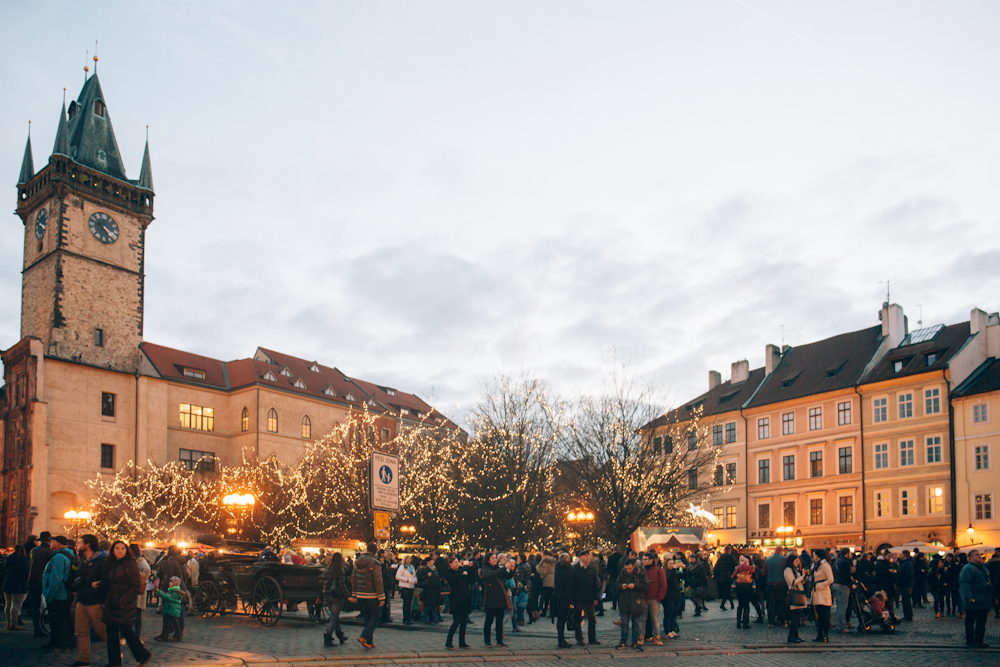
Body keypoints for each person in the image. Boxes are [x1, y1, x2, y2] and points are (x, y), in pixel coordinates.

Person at [104, 541, 152, 667]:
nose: (120, 551)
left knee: (127, 632)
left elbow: (135, 585)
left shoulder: (130, 564)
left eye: (122, 549)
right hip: (111, 604)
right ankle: (114, 663)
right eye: (117, 548)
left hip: (124, 604)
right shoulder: (112, 564)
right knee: (112, 635)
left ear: (126, 551)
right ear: (113, 550)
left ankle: (143, 654)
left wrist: (123, 600)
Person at [73, 533, 110, 667]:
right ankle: (83, 659)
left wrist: (90, 589)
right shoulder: (83, 559)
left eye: (80, 542)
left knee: (103, 632)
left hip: (96, 602)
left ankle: (115, 657)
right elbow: (82, 577)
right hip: (82, 600)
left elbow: (105, 582)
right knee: (81, 631)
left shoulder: (102, 560)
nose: (78, 545)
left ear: (87, 544)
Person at [349, 543, 385, 649]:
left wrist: (354, 594)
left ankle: (369, 641)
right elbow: (378, 581)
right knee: (376, 617)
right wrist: (381, 597)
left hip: (360, 594)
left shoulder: (357, 562)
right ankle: (363, 636)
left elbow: (353, 578)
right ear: (375, 551)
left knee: (367, 617)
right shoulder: (375, 563)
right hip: (372, 594)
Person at [959, 549, 992, 648]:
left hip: (983, 599)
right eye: (977, 555)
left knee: (982, 621)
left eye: (979, 554)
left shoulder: (983, 568)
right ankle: (970, 639)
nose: (979, 556)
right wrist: (969, 597)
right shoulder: (968, 568)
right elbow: (965, 583)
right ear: (971, 557)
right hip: (973, 600)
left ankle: (979, 639)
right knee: (971, 620)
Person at [615, 558, 648, 650]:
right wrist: (621, 586)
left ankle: (634, 642)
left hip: (636, 601)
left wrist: (635, 586)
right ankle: (623, 641)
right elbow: (616, 584)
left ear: (634, 566)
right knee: (624, 623)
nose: (628, 570)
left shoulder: (640, 574)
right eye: (626, 568)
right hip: (624, 601)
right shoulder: (622, 573)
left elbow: (645, 586)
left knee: (635, 623)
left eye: (629, 568)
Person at [156, 545, 188, 639]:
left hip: (173, 589)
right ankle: (179, 631)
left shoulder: (171, 562)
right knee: (179, 610)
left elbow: (170, 577)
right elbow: (185, 575)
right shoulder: (181, 561)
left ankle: (167, 632)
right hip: (181, 587)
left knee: (168, 612)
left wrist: (166, 589)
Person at [570, 550, 601, 646]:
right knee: (578, 618)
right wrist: (572, 599)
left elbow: (595, 583)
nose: (588, 557)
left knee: (592, 618)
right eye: (586, 556)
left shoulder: (591, 568)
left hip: (589, 597)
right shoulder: (574, 569)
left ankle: (592, 638)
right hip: (578, 597)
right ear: (580, 557)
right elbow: (572, 585)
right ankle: (579, 638)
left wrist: (596, 597)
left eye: (589, 556)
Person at [443, 555, 473, 649]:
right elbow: (454, 580)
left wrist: (469, 570)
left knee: (464, 622)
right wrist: (462, 570)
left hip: (464, 599)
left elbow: (469, 580)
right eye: (455, 562)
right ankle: (449, 641)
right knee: (456, 622)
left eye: (457, 562)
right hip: (456, 600)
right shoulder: (449, 573)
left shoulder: (460, 572)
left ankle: (462, 641)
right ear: (450, 564)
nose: (457, 564)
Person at [319, 552, 349, 647]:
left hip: (327, 595)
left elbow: (322, 581)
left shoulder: (327, 569)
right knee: (333, 617)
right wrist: (348, 596)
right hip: (336, 596)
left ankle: (340, 636)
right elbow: (341, 585)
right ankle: (328, 638)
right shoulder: (340, 570)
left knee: (334, 616)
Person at [26, 531, 52, 637]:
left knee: (35, 606)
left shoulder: (34, 550)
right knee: (50, 604)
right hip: (45, 581)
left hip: (33, 581)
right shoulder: (50, 552)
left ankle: (36, 628)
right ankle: (48, 622)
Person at [479, 552, 507, 647]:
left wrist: (511, 569)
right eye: (493, 558)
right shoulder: (485, 569)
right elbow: (492, 575)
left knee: (499, 620)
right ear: (488, 560)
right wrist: (503, 568)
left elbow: (506, 576)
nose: (495, 560)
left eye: (495, 558)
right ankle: (487, 640)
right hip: (490, 598)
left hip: (500, 598)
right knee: (489, 620)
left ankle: (499, 640)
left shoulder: (497, 568)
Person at [3, 544, 29, 631]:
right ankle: (14, 623)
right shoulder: (24, 559)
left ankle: (8, 622)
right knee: (16, 605)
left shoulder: (9, 558)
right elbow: (26, 571)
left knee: (8, 604)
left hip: (8, 581)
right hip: (19, 582)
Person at [642, 552, 666, 644]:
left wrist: (658, 598)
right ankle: (641, 637)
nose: (642, 561)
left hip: (654, 599)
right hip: (644, 598)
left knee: (654, 619)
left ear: (651, 560)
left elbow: (663, 586)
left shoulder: (659, 571)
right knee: (643, 619)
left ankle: (657, 637)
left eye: (645, 559)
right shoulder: (642, 571)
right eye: (642, 559)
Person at [811, 549, 833, 642]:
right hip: (817, 592)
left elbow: (831, 579)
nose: (813, 557)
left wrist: (821, 585)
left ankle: (825, 634)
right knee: (819, 615)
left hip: (823, 592)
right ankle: (819, 634)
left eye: (814, 555)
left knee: (824, 614)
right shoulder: (817, 565)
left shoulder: (825, 565)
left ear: (818, 556)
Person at [553, 552, 574, 648]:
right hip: (565, 597)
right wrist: (570, 600)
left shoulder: (557, 569)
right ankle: (561, 640)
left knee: (560, 619)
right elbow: (569, 586)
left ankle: (560, 638)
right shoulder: (568, 569)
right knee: (563, 618)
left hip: (558, 597)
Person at [784, 554, 806, 644]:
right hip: (794, 594)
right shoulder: (788, 570)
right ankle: (792, 636)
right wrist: (802, 576)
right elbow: (793, 582)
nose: (798, 563)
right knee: (795, 617)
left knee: (797, 616)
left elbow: (799, 582)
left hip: (798, 593)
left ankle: (795, 635)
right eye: (796, 561)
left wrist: (804, 577)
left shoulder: (794, 570)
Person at [832, 547, 854, 633]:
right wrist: (851, 585)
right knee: (843, 607)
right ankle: (841, 626)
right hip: (843, 585)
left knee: (839, 606)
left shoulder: (836, 561)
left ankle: (839, 624)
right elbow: (847, 576)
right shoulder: (845, 562)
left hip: (836, 584)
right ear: (847, 553)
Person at [764, 546, 787, 628]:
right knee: (781, 603)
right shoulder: (785, 559)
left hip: (770, 583)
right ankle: (781, 622)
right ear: (781, 551)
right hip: (781, 583)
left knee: (771, 603)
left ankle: (771, 622)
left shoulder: (768, 560)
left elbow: (764, 573)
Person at [155, 577, 184, 641]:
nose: (169, 583)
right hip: (170, 610)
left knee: (175, 625)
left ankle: (177, 637)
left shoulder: (174, 592)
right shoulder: (172, 591)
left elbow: (167, 597)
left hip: (172, 611)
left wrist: (159, 592)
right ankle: (165, 636)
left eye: (171, 582)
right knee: (167, 624)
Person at [732, 555, 756, 629]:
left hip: (739, 586)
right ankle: (745, 623)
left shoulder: (739, 567)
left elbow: (734, 575)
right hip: (747, 586)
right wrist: (753, 567)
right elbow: (752, 571)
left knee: (740, 605)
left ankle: (738, 622)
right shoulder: (748, 567)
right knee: (746, 605)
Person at [714, 546, 737, 612]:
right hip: (730, 576)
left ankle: (732, 604)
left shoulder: (721, 558)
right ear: (730, 550)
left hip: (722, 576)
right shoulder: (732, 557)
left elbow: (717, 567)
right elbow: (735, 565)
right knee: (727, 590)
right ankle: (722, 604)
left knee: (726, 590)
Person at [396, 555, 417, 626]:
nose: (408, 560)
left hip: (411, 586)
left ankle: (409, 617)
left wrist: (415, 580)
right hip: (404, 586)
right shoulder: (402, 567)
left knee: (409, 602)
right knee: (406, 602)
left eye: (409, 559)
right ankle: (405, 618)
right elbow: (398, 576)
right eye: (407, 559)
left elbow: (414, 575)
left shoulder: (412, 567)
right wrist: (406, 579)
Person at [986, 548, 1000, 619]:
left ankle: (997, 613)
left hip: (992, 582)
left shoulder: (988, 564)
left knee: (994, 597)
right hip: (997, 581)